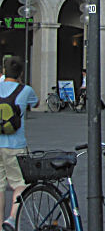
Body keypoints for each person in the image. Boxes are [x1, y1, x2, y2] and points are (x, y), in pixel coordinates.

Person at [0, 56, 38, 231]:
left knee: (0, 186)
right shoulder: (25, 90)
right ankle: (12, 218)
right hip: (16, 144)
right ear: (21, 72)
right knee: (22, 183)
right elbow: (35, 103)